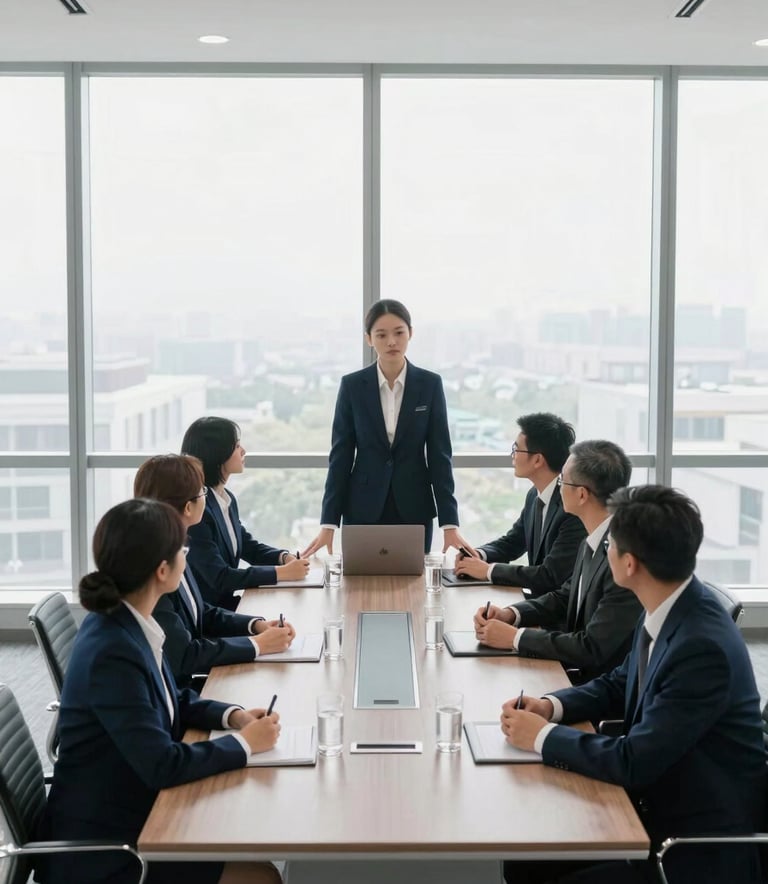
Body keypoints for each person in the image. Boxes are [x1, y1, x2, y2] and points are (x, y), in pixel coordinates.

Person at [500, 485, 766, 884]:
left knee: (535, 858)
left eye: (611, 543)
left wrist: (543, 737)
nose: (604, 549)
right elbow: (618, 682)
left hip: (690, 847)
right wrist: (551, 706)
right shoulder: (669, 603)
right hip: (654, 803)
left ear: (629, 565)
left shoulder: (702, 648)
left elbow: (634, 762)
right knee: (524, 859)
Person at [36, 498, 282, 884]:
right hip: (108, 845)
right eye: (183, 549)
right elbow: (162, 765)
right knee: (260, 876)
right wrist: (245, 746)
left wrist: (232, 716)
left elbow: (172, 698)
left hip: (131, 808)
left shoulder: (128, 623)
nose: (188, 557)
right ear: (163, 571)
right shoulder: (112, 650)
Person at [302, 299, 473, 556]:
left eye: (399, 333)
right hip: (362, 508)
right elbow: (341, 456)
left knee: (414, 589)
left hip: (415, 508)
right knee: (361, 589)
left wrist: (449, 523)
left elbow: (440, 457)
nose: (391, 341)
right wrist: (328, 523)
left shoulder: (430, 384)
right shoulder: (352, 387)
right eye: (381, 335)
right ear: (368, 339)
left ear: (411, 334)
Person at [473, 440, 642, 682]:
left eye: (562, 481)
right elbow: (564, 596)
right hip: (571, 673)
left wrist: (514, 638)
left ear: (582, 494)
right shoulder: (595, 538)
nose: (557, 486)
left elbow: (590, 648)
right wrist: (511, 614)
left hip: (593, 689)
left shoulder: (622, 560)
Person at [134, 454, 296, 688]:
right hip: (178, 695)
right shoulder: (154, 565)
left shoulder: (174, 544)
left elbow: (201, 613)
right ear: (188, 507)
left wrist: (256, 626)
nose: (206, 498)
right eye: (202, 492)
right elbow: (184, 657)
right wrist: (258, 644)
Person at [182, 416, 309, 610]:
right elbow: (220, 577)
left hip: (228, 607)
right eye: (236, 446)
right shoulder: (198, 513)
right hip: (212, 615)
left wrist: (283, 557)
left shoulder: (225, 498)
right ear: (217, 454)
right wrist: (281, 573)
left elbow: (248, 547)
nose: (243, 451)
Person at [455, 412, 585, 598]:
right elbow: (514, 542)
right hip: (536, 602)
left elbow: (549, 576)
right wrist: (478, 554)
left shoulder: (571, 507)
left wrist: (488, 571)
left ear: (538, 460)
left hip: (554, 613)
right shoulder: (535, 495)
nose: (512, 455)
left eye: (516, 449)